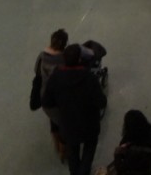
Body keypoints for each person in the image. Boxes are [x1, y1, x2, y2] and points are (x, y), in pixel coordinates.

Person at [42, 43, 107, 175]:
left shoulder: (56, 77)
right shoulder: (89, 78)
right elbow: (102, 102)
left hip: (68, 125)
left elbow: (46, 101)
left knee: (73, 153)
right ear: (79, 60)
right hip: (89, 125)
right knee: (89, 149)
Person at [36, 29, 69, 162]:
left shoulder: (42, 55)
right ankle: (63, 150)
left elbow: (36, 71)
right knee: (63, 123)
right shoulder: (64, 59)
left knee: (53, 119)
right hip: (60, 99)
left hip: (45, 97)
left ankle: (56, 144)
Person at [106, 109, 151, 175]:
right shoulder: (150, 135)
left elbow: (121, 170)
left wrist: (117, 155)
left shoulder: (134, 154)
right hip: (148, 168)